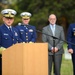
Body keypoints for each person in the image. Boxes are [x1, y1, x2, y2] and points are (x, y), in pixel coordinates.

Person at [0, 9, 22, 75]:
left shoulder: (16, 30)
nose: (9, 20)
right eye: (7, 18)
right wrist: (2, 50)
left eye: (11, 19)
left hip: (14, 59)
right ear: (3, 19)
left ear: (13, 20)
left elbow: (19, 41)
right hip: (3, 59)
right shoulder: (0, 29)